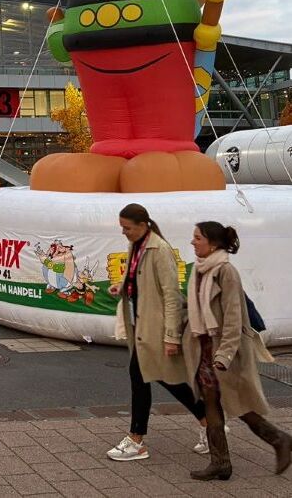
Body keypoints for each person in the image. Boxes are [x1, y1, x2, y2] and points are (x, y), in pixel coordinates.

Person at [182, 221, 291, 481]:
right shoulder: (200, 269)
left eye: (198, 238)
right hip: (204, 347)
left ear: (213, 243)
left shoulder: (226, 272)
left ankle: (279, 439)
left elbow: (234, 317)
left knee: (237, 404)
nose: (193, 242)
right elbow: (198, 308)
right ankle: (220, 462)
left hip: (223, 350)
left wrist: (224, 355)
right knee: (211, 401)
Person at [106, 203, 208, 462]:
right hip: (142, 325)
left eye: (127, 228)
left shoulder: (159, 249)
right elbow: (139, 277)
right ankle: (209, 421)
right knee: (162, 378)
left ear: (142, 225)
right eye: (122, 227)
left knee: (149, 377)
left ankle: (136, 440)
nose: (124, 232)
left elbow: (172, 295)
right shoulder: (137, 244)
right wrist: (123, 286)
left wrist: (171, 336)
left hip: (155, 327)